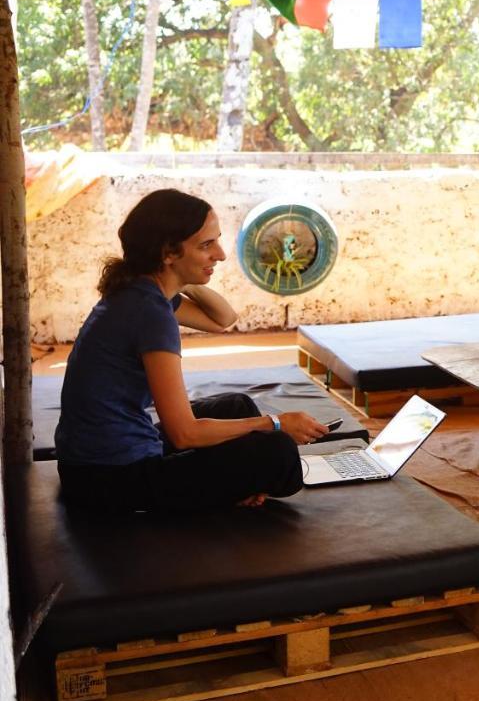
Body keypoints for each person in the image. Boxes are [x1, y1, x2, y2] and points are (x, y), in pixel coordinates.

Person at [55, 189, 331, 512]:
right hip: (111, 478)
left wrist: (183, 275)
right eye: (206, 246)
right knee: (277, 453)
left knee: (236, 406)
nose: (221, 254)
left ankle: (239, 482)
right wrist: (276, 423)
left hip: (93, 462)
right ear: (168, 253)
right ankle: (241, 483)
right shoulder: (151, 314)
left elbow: (223, 319)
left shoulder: (140, 290)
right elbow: (184, 433)